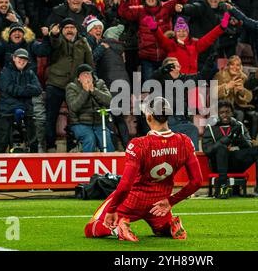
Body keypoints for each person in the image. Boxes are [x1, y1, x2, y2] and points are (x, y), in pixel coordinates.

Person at [84, 97, 203, 241]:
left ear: (148, 116)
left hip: (133, 201)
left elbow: (125, 186)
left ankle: (117, 229)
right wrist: (171, 201)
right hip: (159, 203)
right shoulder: (184, 141)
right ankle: (170, 225)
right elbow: (197, 181)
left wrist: (112, 210)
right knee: (160, 229)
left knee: (90, 229)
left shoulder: (139, 144)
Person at [202, 100, 258, 199]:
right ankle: (223, 186)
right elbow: (207, 150)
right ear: (217, 114)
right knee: (221, 149)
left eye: (227, 112)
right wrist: (226, 140)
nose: (225, 115)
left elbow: (249, 146)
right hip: (218, 163)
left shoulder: (239, 125)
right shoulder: (210, 128)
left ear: (232, 113)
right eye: (222, 112)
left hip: (236, 161)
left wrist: (240, 139)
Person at [45, 18, 94, 152]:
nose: (69, 30)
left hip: (74, 86)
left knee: (75, 117)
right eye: (66, 28)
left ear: (77, 30)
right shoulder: (58, 40)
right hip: (55, 84)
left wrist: (90, 81)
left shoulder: (83, 43)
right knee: (51, 116)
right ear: (62, 30)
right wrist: (54, 34)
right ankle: (50, 146)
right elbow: (54, 43)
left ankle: (72, 147)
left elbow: (90, 64)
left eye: (72, 27)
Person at [0, 48, 42, 153]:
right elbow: (9, 88)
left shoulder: (30, 73)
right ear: (14, 58)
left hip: (27, 110)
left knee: (34, 141)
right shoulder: (5, 71)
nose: (22, 61)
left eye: (25, 59)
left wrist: (21, 90)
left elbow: (38, 89)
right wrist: (27, 89)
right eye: (19, 58)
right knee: (2, 142)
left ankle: (35, 162)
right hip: (7, 110)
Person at [65, 64, 114, 152]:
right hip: (80, 123)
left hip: (99, 123)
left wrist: (94, 90)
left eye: (88, 74)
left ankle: (110, 164)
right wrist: (85, 91)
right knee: (89, 139)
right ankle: (87, 163)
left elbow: (109, 101)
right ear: (78, 78)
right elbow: (74, 107)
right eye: (83, 74)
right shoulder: (72, 87)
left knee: (106, 141)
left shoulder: (100, 83)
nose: (87, 76)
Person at [214, 55, 258, 141]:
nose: (235, 67)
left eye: (238, 65)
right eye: (232, 65)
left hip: (239, 106)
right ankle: (234, 139)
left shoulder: (243, 77)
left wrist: (242, 92)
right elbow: (213, 93)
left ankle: (251, 141)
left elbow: (249, 96)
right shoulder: (220, 75)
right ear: (228, 65)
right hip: (223, 106)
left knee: (254, 115)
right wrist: (227, 87)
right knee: (239, 114)